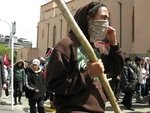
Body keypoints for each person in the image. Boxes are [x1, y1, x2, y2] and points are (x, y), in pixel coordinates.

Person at [46, 1, 124, 113]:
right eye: (103, 17)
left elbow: (115, 69)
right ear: (89, 18)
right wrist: (89, 74)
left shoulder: (98, 47)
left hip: (99, 109)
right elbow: (54, 84)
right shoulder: (65, 46)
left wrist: (114, 44)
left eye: (107, 18)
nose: (106, 22)